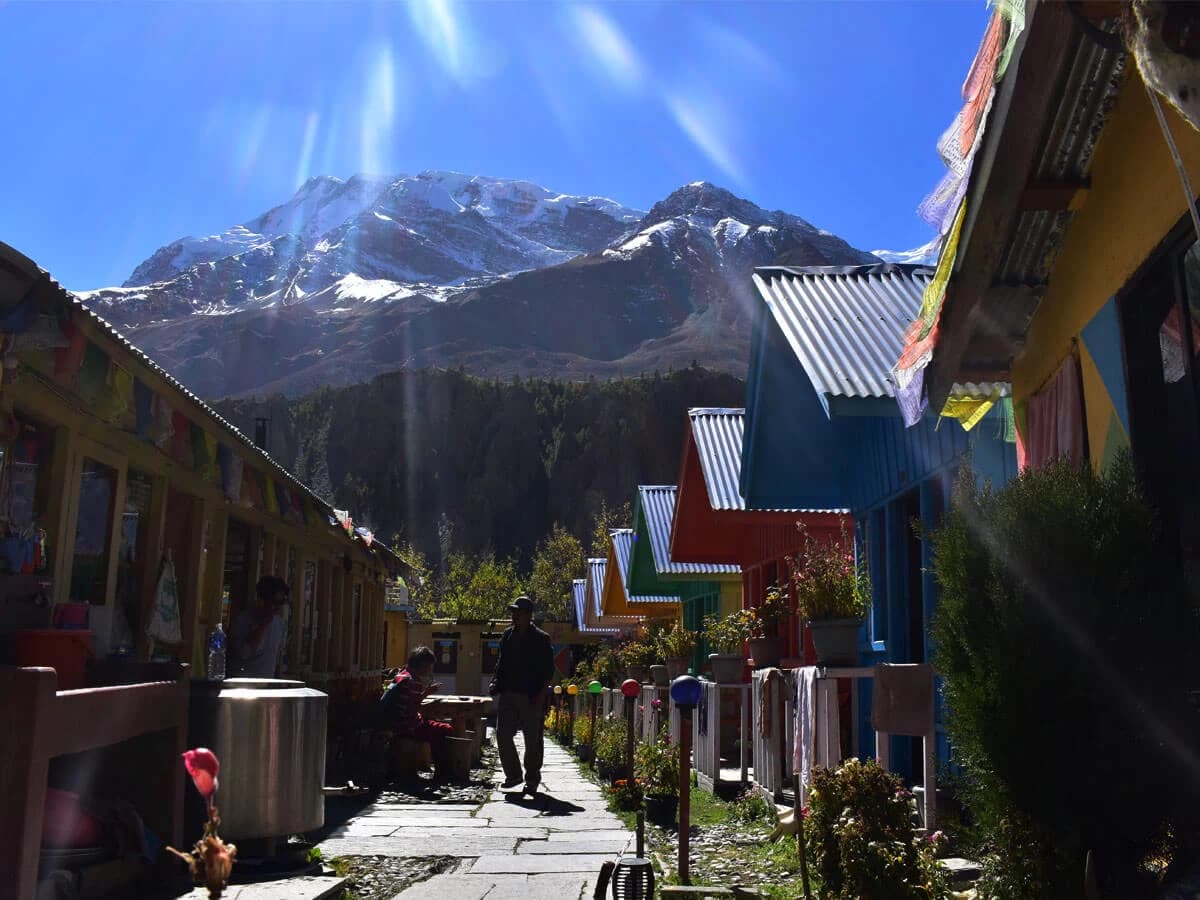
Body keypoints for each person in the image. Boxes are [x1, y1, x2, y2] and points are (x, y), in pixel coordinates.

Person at [490, 595, 555, 795]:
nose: (514, 615)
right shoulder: (507, 636)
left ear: (528, 615)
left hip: (531, 696)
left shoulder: (541, 639)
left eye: (518, 612)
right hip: (508, 693)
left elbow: (547, 672)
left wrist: (541, 695)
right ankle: (513, 774)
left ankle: (532, 778)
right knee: (502, 734)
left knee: (532, 739)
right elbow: (501, 664)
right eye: (513, 612)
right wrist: (495, 682)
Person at [378, 646, 452, 761]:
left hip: (392, 722)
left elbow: (408, 703)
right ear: (423, 665)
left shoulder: (401, 675)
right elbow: (412, 710)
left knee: (434, 725)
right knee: (445, 729)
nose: (429, 670)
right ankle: (442, 771)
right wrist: (426, 697)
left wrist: (424, 694)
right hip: (406, 727)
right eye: (429, 666)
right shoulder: (414, 681)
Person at [230, 575, 288, 677]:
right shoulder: (243, 621)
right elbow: (243, 653)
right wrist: (262, 626)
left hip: (268, 685)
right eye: (275, 602)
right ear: (262, 600)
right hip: (244, 685)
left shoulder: (279, 624)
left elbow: (278, 658)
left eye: (281, 602)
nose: (278, 607)